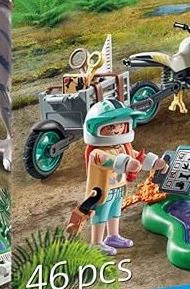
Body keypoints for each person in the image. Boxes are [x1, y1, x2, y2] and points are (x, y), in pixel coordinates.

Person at [69, 100, 167, 254]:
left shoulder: (123, 147)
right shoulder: (96, 153)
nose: (117, 129)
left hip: (118, 189)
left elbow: (138, 156)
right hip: (102, 192)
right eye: (110, 127)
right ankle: (96, 242)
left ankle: (113, 236)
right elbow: (110, 161)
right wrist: (127, 163)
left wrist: (155, 163)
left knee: (115, 213)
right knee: (100, 215)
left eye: (121, 125)